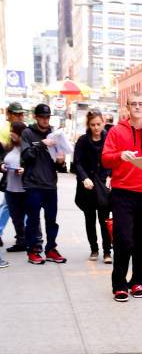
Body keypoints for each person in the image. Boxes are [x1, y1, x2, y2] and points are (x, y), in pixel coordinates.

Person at [102, 92, 142, 301]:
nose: (137, 107)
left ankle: (138, 282)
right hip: (122, 192)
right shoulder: (116, 131)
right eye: (133, 104)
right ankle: (119, 284)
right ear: (127, 107)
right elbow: (105, 160)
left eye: (141, 104)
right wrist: (120, 155)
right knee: (123, 239)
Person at [21, 103, 67, 265]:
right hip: (33, 184)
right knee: (33, 220)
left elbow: (60, 166)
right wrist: (42, 144)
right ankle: (33, 251)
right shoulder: (27, 133)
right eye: (42, 117)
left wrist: (61, 162)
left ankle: (50, 249)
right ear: (36, 117)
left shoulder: (54, 134)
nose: (45, 120)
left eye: (47, 117)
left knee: (51, 220)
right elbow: (26, 156)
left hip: (50, 185)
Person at [73, 110, 112, 263]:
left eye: (98, 124)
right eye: (92, 125)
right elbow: (77, 162)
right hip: (87, 185)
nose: (96, 128)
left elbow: (113, 160)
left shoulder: (109, 139)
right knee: (90, 219)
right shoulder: (83, 140)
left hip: (103, 184)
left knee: (104, 219)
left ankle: (107, 252)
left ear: (103, 122)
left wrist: (110, 175)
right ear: (88, 125)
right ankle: (94, 249)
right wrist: (84, 178)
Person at [0, 102, 26, 245]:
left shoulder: (25, 129)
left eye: (21, 114)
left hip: (25, 175)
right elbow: (2, 151)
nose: (20, 116)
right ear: (9, 115)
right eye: (16, 114)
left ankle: (26, 235)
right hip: (10, 173)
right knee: (8, 204)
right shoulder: (5, 131)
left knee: (25, 207)